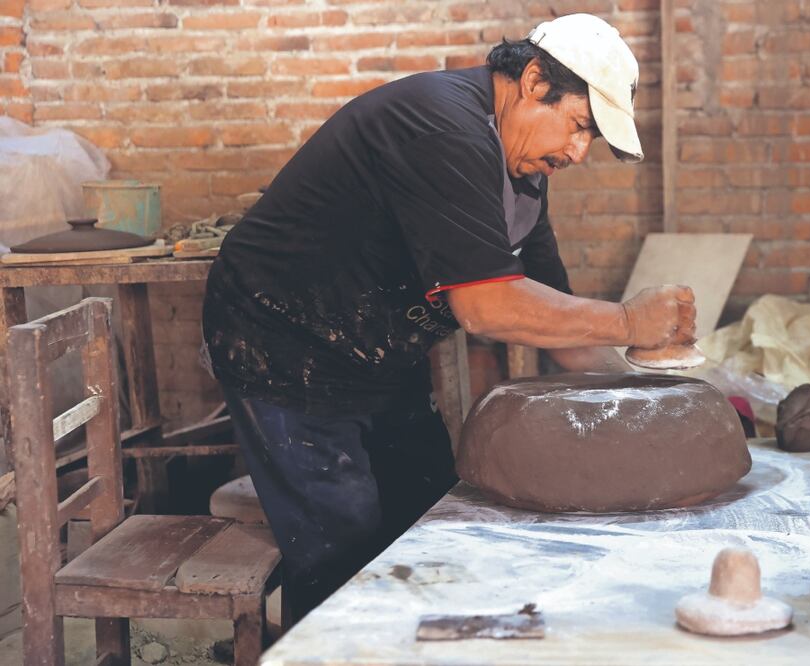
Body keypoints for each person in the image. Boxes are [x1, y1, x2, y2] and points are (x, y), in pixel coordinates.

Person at [201, 13, 696, 622]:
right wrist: (626, 321)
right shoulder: (442, 127)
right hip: (281, 341)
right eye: (578, 126)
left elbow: (557, 324)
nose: (577, 151)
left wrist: (660, 397)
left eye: (589, 137)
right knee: (344, 548)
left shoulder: (524, 170)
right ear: (533, 81)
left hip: (375, 353)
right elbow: (486, 306)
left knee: (432, 516)